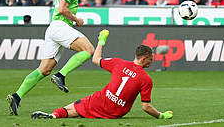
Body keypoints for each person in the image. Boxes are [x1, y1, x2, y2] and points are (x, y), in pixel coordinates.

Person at [6, 0, 95, 116]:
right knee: (89, 49)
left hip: (54, 28)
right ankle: (60, 75)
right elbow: (62, 9)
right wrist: (77, 19)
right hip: (61, 26)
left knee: (44, 69)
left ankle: (16, 96)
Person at [31, 30, 173, 120]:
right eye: (150, 59)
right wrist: (161, 115)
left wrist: (101, 41)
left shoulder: (119, 63)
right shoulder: (146, 79)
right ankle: (53, 116)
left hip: (101, 101)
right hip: (116, 112)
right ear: (143, 59)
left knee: (73, 108)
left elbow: (95, 59)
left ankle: (53, 115)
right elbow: (146, 107)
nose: (152, 61)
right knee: (78, 110)